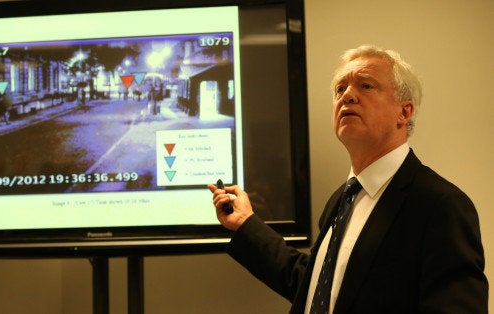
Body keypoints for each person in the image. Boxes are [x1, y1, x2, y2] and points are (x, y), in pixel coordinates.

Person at [208, 45, 488, 313]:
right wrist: (246, 224)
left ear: (404, 112)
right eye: (340, 89)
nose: (348, 96)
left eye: (366, 85)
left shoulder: (440, 205)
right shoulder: (342, 198)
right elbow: (318, 289)